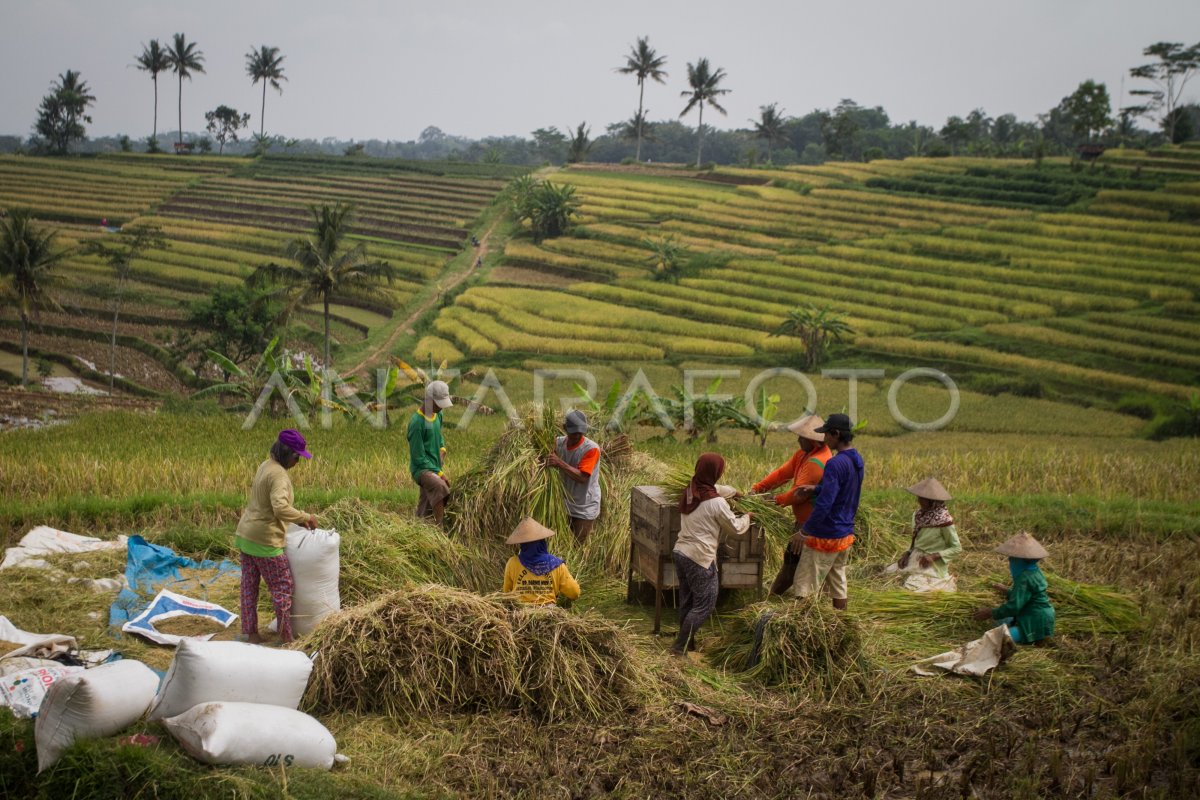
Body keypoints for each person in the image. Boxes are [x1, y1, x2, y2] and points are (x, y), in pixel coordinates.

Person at [234, 429, 317, 645]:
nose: (298, 461)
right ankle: (287, 637)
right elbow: (280, 508)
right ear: (286, 453)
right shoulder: (279, 475)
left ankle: (250, 633)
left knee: (248, 586)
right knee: (282, 586)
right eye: (297, 456)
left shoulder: (266, 465)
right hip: (265, 541)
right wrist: (305, 517)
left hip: (246, 535)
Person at [671, 453, 751, 656]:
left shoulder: (691, 489)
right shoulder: (716, 504)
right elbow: (736, 528)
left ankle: (687, 644)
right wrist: (748, 517)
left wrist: (734, 492)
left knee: (688, 601)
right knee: (705, 605)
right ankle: (679, 647)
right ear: (715, 472)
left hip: (681, 552)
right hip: (699, 558)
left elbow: (718, 490)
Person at [750, 414, 831, 595]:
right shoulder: (803, 454)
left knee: (794, 562)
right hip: (803, 522)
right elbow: (782, 474)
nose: (798, 439)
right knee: (795, 562)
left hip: (810, 525)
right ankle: (780, 594)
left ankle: (777, 597)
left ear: (813, 441)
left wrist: (776, 500)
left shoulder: (817, 462)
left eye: (802, 437)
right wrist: (758, 488)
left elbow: (799, 494)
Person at [791, 413, 864, 610]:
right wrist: (816, 488)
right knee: (838, 581)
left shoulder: (834, 463)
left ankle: (801, 626)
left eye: (827, 435)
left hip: (826, 534)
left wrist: (804, 532)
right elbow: (843, 490)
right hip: (845, 532)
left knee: (805, 583)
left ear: (836, 434)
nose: (824, 439)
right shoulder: (856, 459)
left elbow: (825, 504)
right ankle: (842, 621)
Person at [974, 532, 1055, 645]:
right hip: (1043, 616)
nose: (1010, 562)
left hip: (1034, 619)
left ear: (1019, 560)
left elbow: (1014, 607)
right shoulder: (1035, 571)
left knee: (996, 639)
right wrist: (1007, 591)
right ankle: (1036, 636)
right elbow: (1026, 596)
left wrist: (990, 612)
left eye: (1012, 559)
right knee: (1000, 622)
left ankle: (1035, 637)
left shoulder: (1024, 578)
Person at [884, 477, 962, 592]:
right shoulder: (918, 515)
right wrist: (907, 553)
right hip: (916, 556)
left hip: (932, 563)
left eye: (922, 499)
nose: (919, 501)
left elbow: (956, 548)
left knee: (913, 587)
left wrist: (934, 556)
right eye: (919, 498)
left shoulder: (945, 521)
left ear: (932, 501)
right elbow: (915, 540)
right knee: (889, 573)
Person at [545, 410, 602, 544]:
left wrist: (559, 463)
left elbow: (582, 478)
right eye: (573, 432)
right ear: (565, 428)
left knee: (577, 545)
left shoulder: (591, 449)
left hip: (584, 505)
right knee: (561, 542)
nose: (577, 435)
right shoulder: (557, 443)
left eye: (580, 432)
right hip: (563, 503)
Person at [502, 517, 581, 605]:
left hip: (520, 614)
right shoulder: (556, 564)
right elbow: (574, 593)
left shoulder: (513, 563)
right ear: (542, 542)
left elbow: (507, 594)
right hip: (549, 613)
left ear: (523, 544)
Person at [408, 380, 453, 526]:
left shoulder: (437, 415)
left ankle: (420, 526)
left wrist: (442, 449)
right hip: (422, 469)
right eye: (438, 403)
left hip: (435, 465)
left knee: (425, 506)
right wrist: (440, 474)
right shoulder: (416, 423)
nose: (441, 407)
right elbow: (418, 458)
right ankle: (440, 526)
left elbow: (438, 436)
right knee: (440, 486)